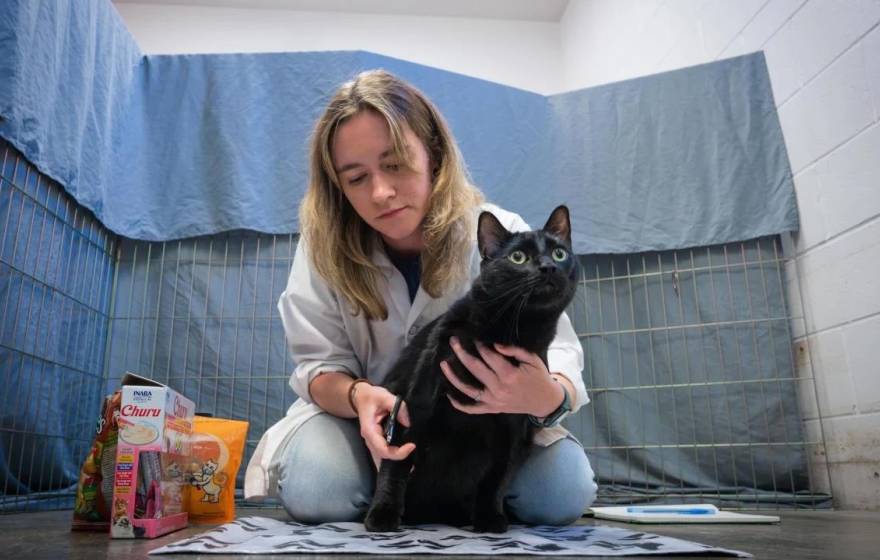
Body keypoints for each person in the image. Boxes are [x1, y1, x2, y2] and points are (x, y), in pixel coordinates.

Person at [244, 69, 597, 525]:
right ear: (337, 186)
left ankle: (436, 493)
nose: (381, 193)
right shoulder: (321, 248)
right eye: (356, 178)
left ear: (433, 154)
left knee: (561, 494)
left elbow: (562, 355)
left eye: (395, 164)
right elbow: (318, 367)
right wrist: (358, 396)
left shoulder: (498, 232)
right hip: (364, 423)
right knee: (318, 488)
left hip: (489, 428)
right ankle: (395, 489)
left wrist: (545, 396)